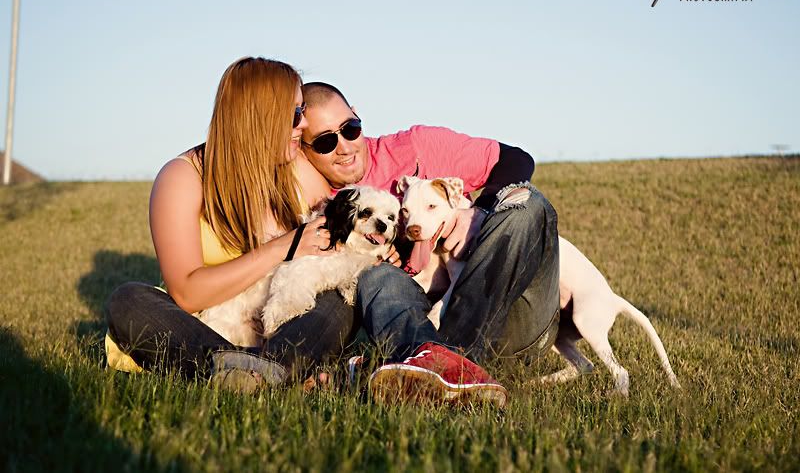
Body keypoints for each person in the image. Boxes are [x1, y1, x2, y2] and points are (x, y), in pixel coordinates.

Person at [299, 82, 561, 404]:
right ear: (304, 148)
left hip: (516, 320)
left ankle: (446, 363)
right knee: (372, 273)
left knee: (526, 204)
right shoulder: (326, 206)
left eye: (350, 129)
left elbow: (515, 159)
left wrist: (478, 213)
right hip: (420, 326)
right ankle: (443, 369)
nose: (344, 147)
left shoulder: (416, 147)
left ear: (358, 116)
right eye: (326, 142)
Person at [104, 58, 355, 390]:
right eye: (295, 114)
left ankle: (245, 372)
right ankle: (271, 371)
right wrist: (283, 246)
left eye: (303, 113)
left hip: (284, 321)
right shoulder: (183, 177)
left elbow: (339, 237)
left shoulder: (299, 170)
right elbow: (188, 293)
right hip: (211, 326)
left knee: (338, 299)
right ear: (259, 118)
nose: (303, 126)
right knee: (129, 301)